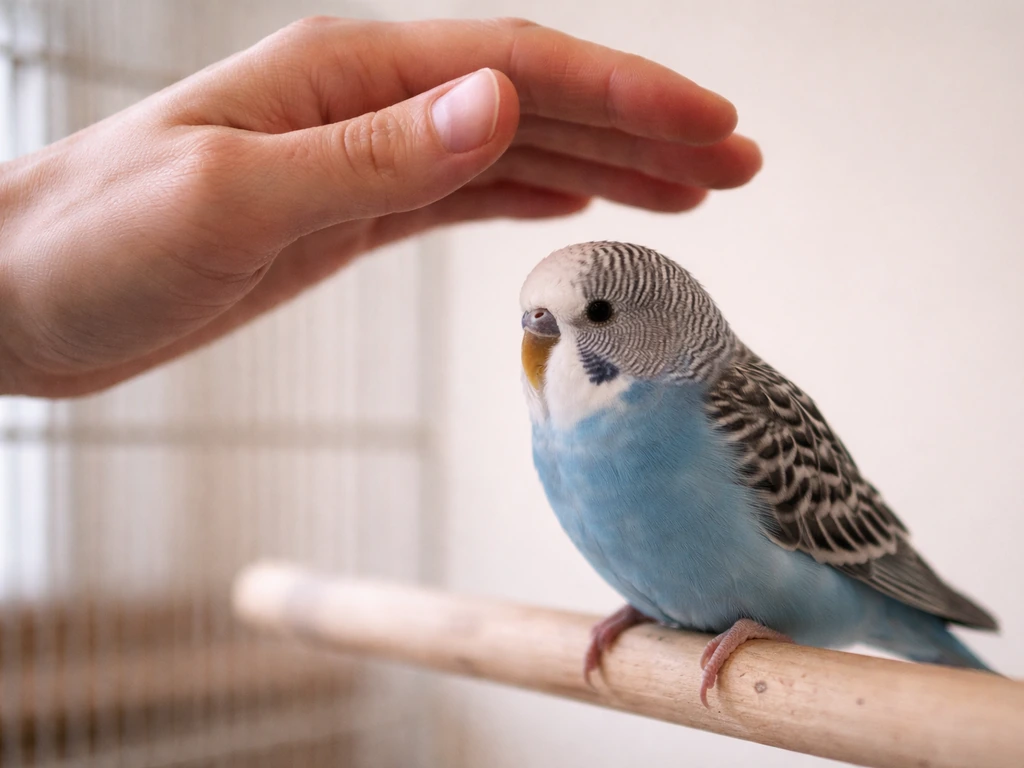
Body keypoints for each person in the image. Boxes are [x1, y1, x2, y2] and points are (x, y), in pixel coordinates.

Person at [0, 17, 761, 397]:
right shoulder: (561, 415)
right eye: (535, 320)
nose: (536, 342)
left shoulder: (717, 406)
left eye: (589, 318)